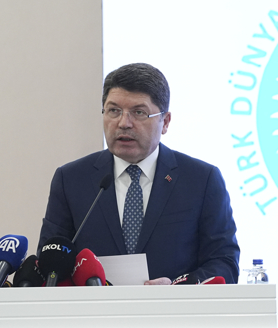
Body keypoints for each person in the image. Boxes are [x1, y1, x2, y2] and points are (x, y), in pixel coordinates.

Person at [38, 62, 240, 284]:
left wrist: (180, 287)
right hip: (95, 307)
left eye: (139, 112)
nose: (124, 123)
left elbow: (224, 262)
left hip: (173, 306)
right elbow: (50, 262)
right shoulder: (71, 180)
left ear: (165, 122)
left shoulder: (201, 180)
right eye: (114, 110)